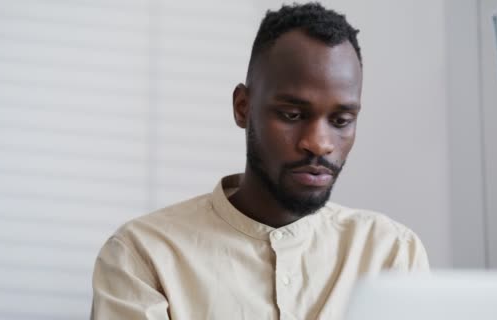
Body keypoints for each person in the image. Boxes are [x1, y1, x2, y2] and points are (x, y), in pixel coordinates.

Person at [91, 3, 429, 319]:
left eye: (341, 121)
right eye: (292, 114)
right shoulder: (142, 256)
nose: (319, 143)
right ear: (242, 107)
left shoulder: (391, 253)